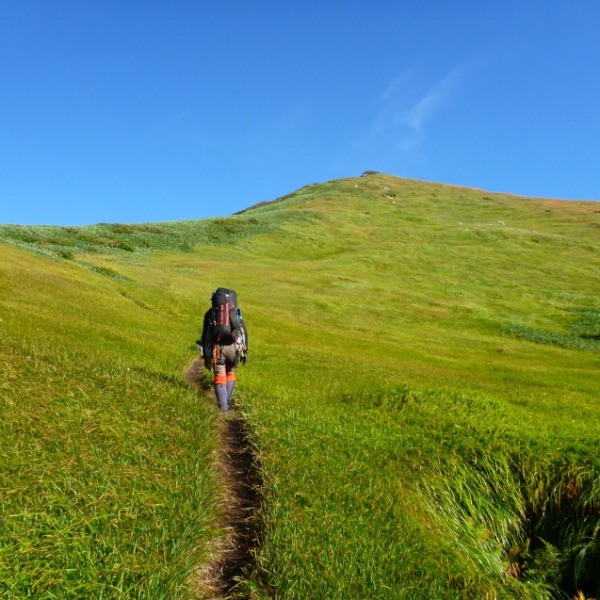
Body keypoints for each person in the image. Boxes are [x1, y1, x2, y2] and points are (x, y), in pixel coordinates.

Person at [198, 288, 248, 411]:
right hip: (234, 347)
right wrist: (245, 352)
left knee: (220, 375)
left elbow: (205, 334)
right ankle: (227, 404)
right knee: (230, 372)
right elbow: (244, 332)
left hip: (218, 348)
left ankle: (223, 409)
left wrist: (205, 351)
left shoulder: (210, 313)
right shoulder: (236, 312)